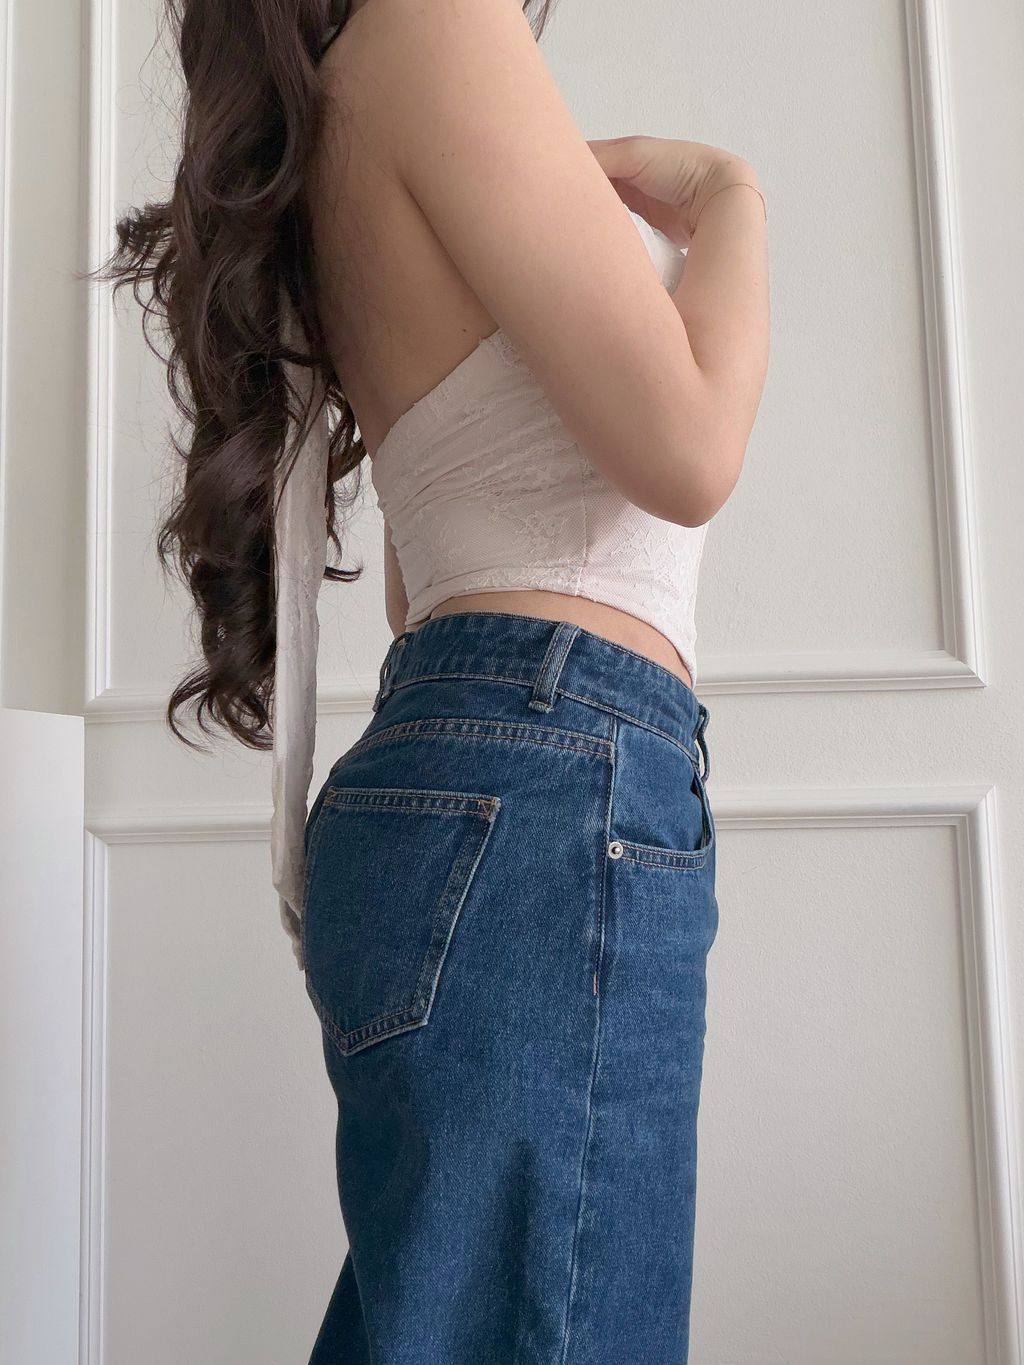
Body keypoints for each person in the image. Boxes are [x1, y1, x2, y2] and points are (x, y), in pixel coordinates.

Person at [91, 0, 769, 1359]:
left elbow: (425, 580)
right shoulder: (438, 28)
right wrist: (729, 198)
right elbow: (691, 447)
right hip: (551, 778)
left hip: (472, 775)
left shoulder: (343, 101)